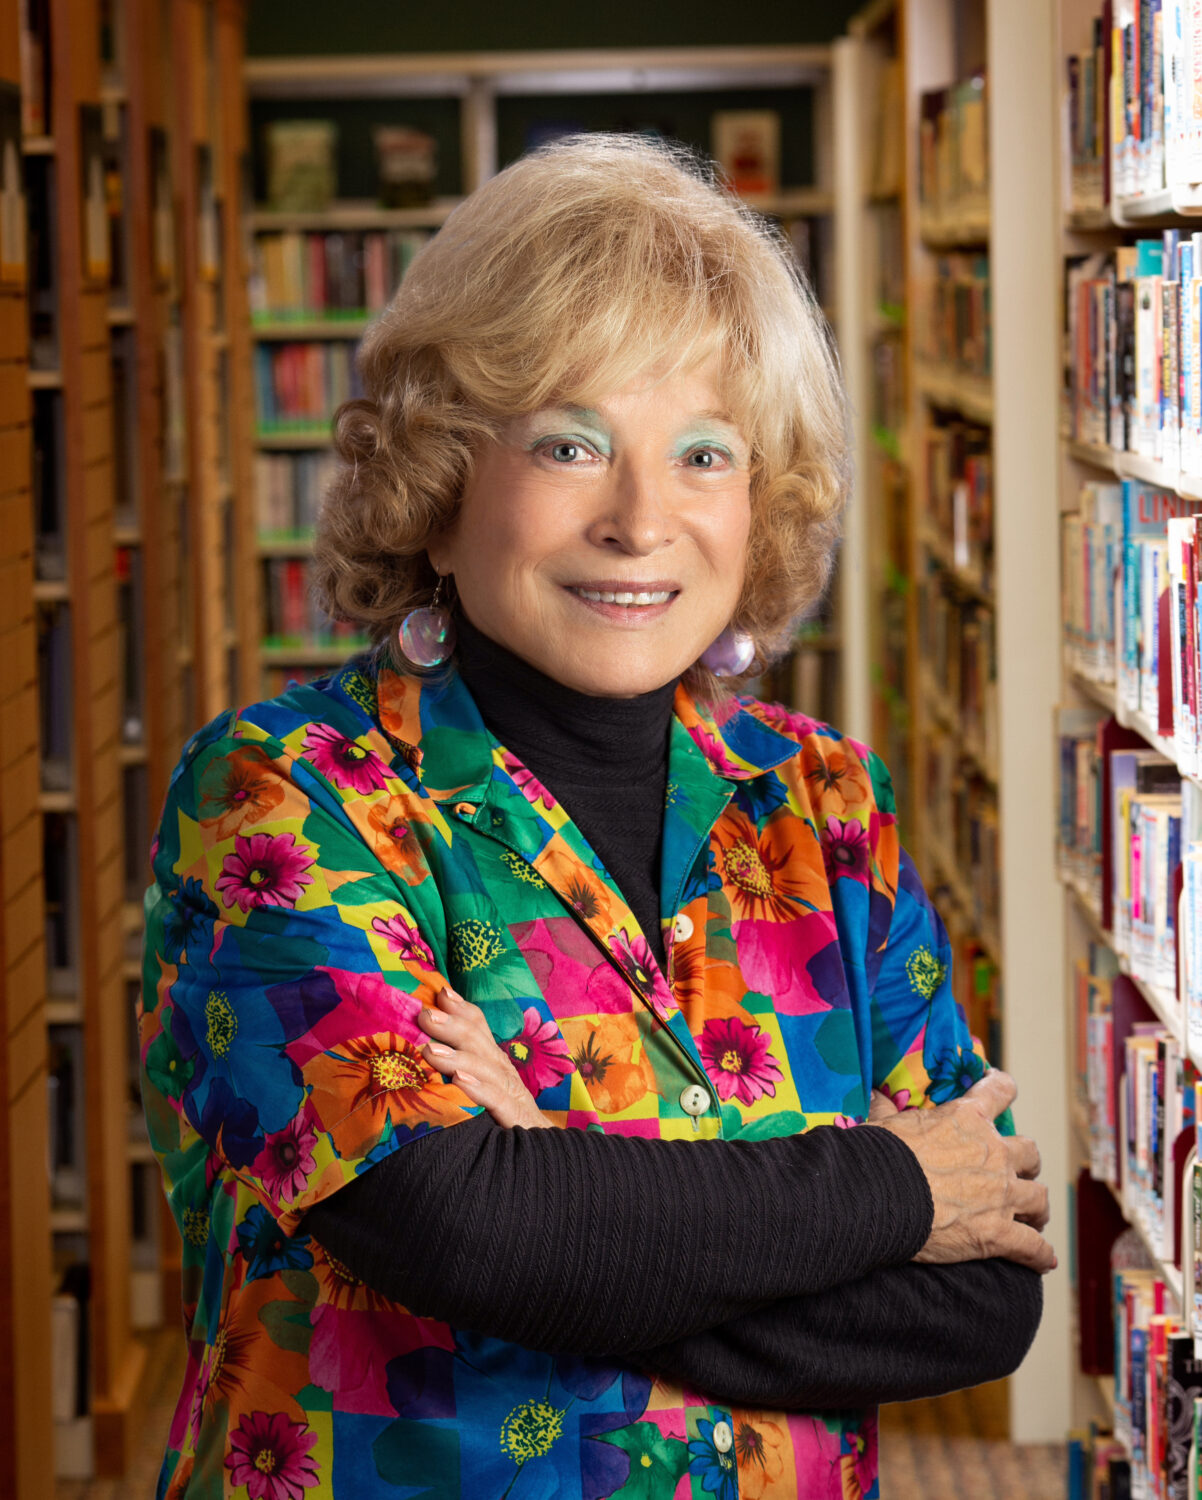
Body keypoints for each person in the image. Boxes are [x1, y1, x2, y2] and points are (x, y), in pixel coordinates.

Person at [140, 134, 1051, 1500]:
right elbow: (454, 1229)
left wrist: (566, 1185)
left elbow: (984, 1300)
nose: (640, 519)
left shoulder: (821, 804)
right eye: (569, 444)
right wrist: (893, 1193)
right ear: (440, 496)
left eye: (703, 453)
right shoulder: (284, 794)